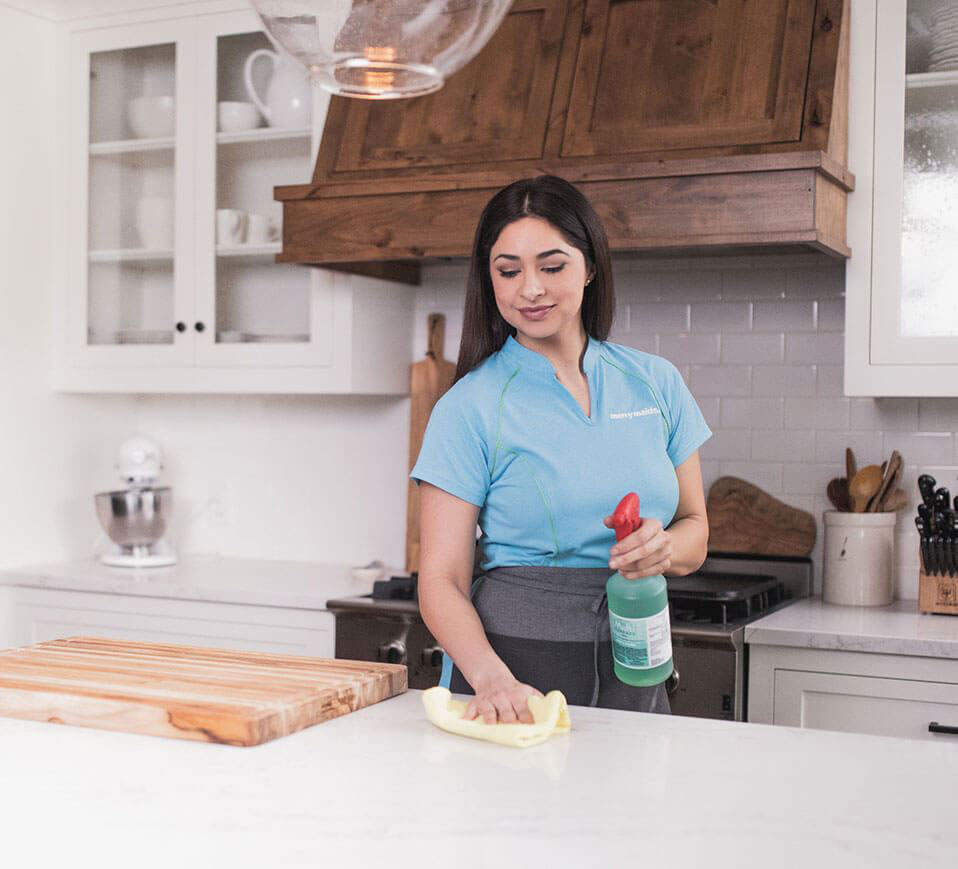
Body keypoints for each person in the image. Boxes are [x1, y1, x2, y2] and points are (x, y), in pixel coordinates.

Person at [410, 174, 712, 725]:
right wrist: (490, 676)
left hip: (636, 654)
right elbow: (441, 581)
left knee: (635, 804)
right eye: (508, 270)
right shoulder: (469, 407)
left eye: (552, 266)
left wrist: (661, 549)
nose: (530, 289)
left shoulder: (656, 383)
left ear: (590, 266)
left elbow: (696, 532)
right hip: (514, 667)